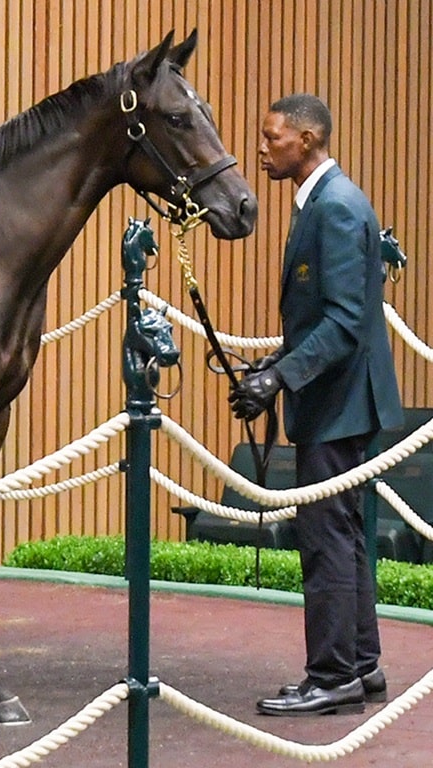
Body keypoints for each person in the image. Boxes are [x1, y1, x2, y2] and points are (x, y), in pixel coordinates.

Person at [229, 93, 404, 716]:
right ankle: (360, 666)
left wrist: (279, 380)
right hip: (345, 398)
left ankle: (331, 677)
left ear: (306, 140)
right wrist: (275, 367)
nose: (262, 146)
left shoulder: (331, 207)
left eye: (271, 136)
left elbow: (344, 322)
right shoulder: (332, 201)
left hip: (339, 403)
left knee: (325, 539)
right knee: (345, 535)